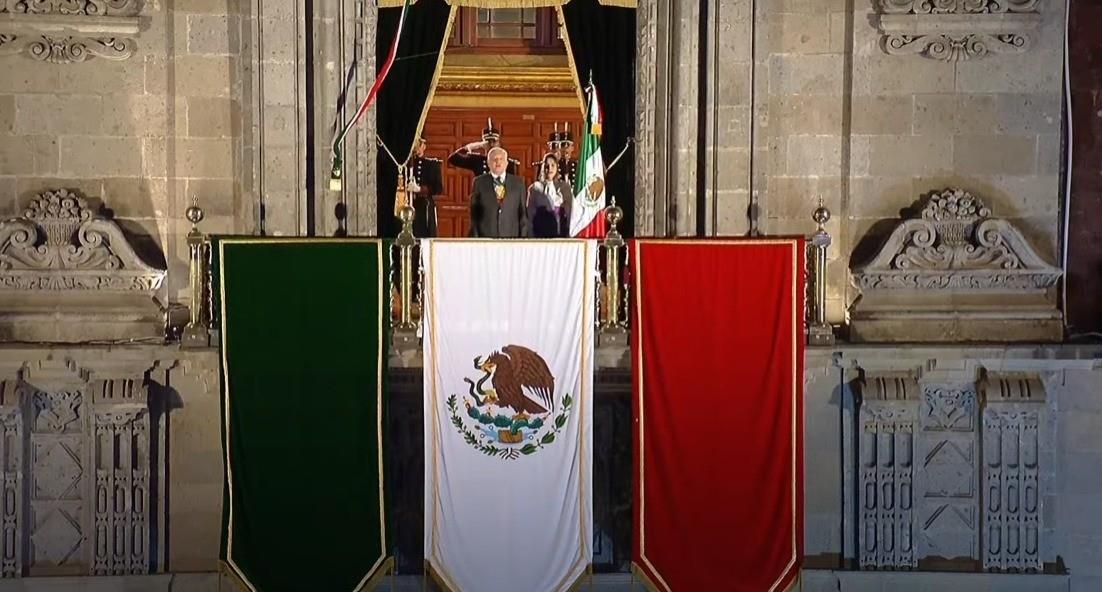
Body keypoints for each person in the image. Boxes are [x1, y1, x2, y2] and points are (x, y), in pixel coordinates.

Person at [469, 147, 527, 238]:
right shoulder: (479, 182)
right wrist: (476, 239)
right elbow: (474, 215)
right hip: (486, 238)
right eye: (494, 159)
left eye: (501, 159)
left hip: (511, 238)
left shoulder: (518, 183)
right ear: (488, 163)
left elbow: (523, 214)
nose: (498, 162)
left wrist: (523, 239)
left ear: (507, 163)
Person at [448, 119, 519, 177]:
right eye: (488, 142)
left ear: (499, 143)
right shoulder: (478, 160)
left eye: (494, 142)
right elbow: (453, 159)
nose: (491, 144)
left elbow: (513, 185)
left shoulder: (508, 162)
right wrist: (468, 147)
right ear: (483, 144)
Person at [526, 153, 573, 238]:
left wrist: (569, 232)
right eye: (547, 165)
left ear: (557, 168)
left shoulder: (564, 187)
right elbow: (530, 214)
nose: (549, 168)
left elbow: (569, 212)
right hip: (540, 231)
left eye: (552, 165)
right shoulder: (535, 188)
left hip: (560, 231)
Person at [405, 136, 443, 237]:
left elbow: (438, 188)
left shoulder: (431, 164)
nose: (416, 147)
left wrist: (420, 189)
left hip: (424, 206)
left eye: (419, 144)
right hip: (406, 205)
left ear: (424, 146)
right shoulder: (405, 165)